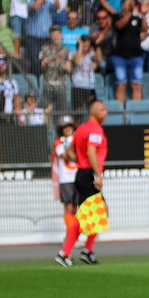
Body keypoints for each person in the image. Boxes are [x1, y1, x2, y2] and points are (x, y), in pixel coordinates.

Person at [58, 99, 109, 267]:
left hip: (82, 173)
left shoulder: (81, 130)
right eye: (102, 110)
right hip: (88, 174)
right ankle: (64, 253)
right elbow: (91, 152)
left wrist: (80, 162)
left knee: (99, 212)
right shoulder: (95, 130)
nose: (105, 113)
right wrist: (98, 175)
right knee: (85, 217)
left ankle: (87, 250)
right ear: (93, 112)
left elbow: (68, 153)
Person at [51, 115, 79, 250]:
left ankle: (70, 236)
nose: (67, 129)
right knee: (69, 208)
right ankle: (73, 237)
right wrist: (73, 149)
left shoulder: (77, 140)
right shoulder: (58, 142)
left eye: (69, 126)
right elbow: (66, 156)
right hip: (66, 179)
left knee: (76, 209)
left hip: (77, 177)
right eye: (65, 127)